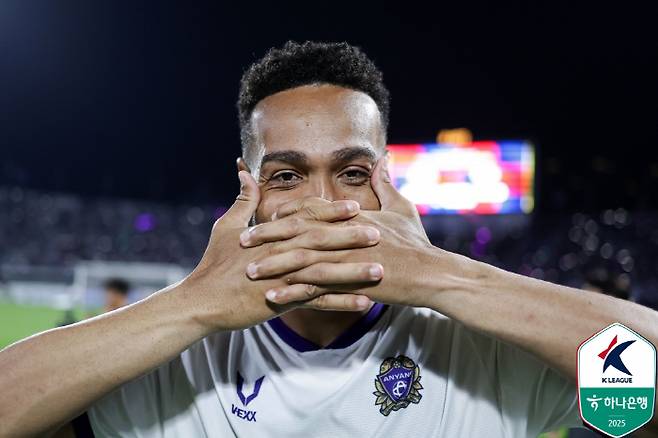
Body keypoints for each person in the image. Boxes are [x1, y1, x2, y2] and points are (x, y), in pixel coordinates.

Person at [1, 41, 657, 438]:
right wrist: (193, 304)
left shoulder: (485, 350)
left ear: (387, 184)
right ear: (248, 187)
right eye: (287, 175)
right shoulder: (175, 357)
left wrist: (443, 275)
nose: (322, 203)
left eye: (351, 173)